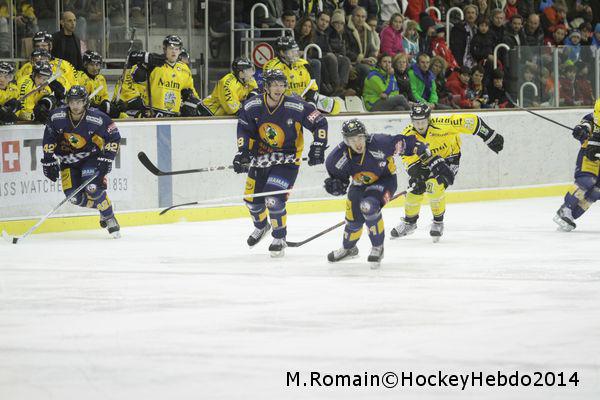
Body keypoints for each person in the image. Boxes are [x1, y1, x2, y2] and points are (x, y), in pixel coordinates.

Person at [323, 118, 453, 267]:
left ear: (365, 135)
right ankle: (348, 248)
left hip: (385, 181)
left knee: (369, 206)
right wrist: (336, 186)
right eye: (352, 140)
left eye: (359, 137)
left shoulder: (380, 143)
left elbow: (413, 145)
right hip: (359, 185)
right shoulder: (336, 158)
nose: (357, 143)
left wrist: (433, 161)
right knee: (353, 221)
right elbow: (341, 182)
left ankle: (377, 248)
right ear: (346, 141)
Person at [233, 69, 328, 257]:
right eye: (274, 84)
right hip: (261, 158)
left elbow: (320, 122)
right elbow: (244, 128)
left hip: (287, 159)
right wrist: (243, 152)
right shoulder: (252, 105)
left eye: (282, 84)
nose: (278, 88)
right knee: (252, 202)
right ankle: (262, 226)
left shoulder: (295, 106)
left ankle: (279, 237)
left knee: (273, 199)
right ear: (266, 87)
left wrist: (319, 144)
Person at [391, 103, 504, 241]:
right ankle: (409, 223)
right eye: (416, 122)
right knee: (414, 189)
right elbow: (408, 161)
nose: (420, 126)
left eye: (423, 121)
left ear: (429, 118)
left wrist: (489, 135)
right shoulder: (407, 136)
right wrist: (417, 175)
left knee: (433, 186)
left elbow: (471, 121)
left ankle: (438, 222)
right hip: (425, 163)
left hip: (449, 160)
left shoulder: (444, 124)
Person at [41, 85, 121, 237]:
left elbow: (114, 136)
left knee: (92, 188)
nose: (75, 105)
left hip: (90, 158)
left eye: (78, 102)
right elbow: (49, 138)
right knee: (73, 198)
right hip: (67, 162)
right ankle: (102, 207)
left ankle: (109, 216)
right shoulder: (56, 117)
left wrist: (107, 158)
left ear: (85, 102)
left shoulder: (97, 118)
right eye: (72, 102)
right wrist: (48, 160)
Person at [263, 36, 341, 115]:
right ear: (282, 53)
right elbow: (271, 93)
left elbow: (312, 87)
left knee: (335, 107)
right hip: (282, 102)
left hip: (303, 99)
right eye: (292, 52)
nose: (295, 54)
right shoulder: (272, 67)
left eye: (296, 51)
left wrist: (310, 102)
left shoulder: (303, 64)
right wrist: (290, 101)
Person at [554, 100, 600, 231]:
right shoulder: (595, 115)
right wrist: (582, 130)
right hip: (589, 152)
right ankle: (566, 209)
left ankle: (571, 216)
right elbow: (588, 122)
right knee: (586, 180)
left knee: (596, 191)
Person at [128, 34, 201, 117]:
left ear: (180, 51)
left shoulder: (184, 70)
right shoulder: (154, 64)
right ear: (165, 49)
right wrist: (148, 59)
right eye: (171, 48)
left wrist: (192, 102)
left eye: (176, 49)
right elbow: (134, 71)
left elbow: (189, 93)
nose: (174, 51)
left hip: (174, 116)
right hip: (152, 114)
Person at [76, 50, 124, 118]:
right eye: (92, 65)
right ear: (85, 65)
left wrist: (113, 106)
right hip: (84, 114)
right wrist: (100, 108)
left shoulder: (101, 78)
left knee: (123, 115)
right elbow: (79, 103)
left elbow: (104, 98)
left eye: (97, 65)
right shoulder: (80, 77)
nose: (95, 68)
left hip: (98, 112)